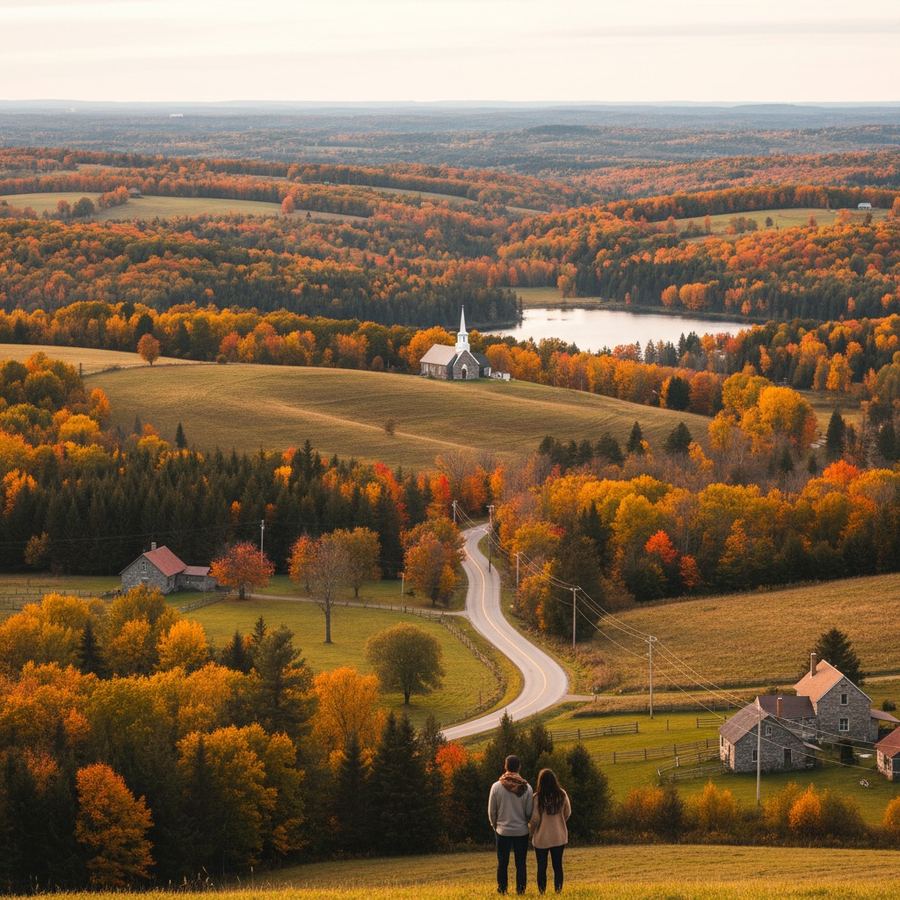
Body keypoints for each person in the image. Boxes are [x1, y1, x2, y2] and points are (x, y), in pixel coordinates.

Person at [488, 754, 534, 895]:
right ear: (519, 767)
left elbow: (491, 811)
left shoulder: (496, 787)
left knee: (502, 863)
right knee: (520, 863)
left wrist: (495, 825)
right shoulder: (527, 788)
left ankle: (502, 889)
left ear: (505, 766)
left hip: (502, 831)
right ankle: (521, 890)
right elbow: (529, 812)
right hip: (521, 831)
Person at [529, 768, 571, 894]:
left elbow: (535, 819)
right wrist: (560, 822)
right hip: (558, 836)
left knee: (541, 867)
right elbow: (568, 812)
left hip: (542, 838)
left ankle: (542, 892)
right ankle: (558, 891)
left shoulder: (537, 798)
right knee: (557, 866)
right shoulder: (562, 794)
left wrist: (531, 832)